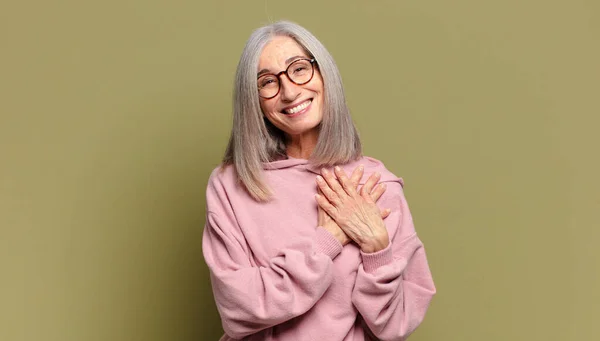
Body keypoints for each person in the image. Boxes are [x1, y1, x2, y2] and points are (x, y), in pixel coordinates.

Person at [202, 21, 436, 341]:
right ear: (254, 100)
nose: (289, 91)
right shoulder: (231, 186)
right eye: (268, 81)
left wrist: (378, 249)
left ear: (325, 75)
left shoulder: (377, 186)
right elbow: (238, 310)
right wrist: (325, 242)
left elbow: (394, 326)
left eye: (299, 69)